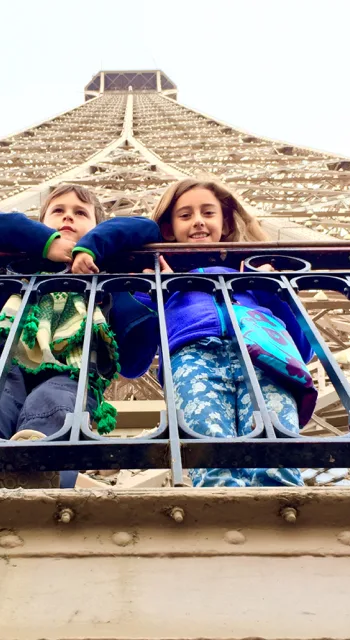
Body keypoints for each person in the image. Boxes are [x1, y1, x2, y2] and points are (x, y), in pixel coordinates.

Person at [0, 184, 161, 491]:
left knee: (55, 403)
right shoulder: (23, 258)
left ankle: (32, 467)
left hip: (72, 370)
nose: (68, 217)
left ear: (98, 228)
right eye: (58, 210)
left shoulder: (107, 267)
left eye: (80, 213)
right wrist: (48, 243)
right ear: (41, 224)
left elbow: (147, 228)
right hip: (6, 359)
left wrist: (90, 247)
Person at [137, 178, 314, 488]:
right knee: (212, 465)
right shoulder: (159, 278)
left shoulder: (249, 273)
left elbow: (304, 346)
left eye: (208, 212)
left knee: (278, 463)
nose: (198, 221)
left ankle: (283, 512)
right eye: (185, 215)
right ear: (167, 229)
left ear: (226, 222)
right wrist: (154, 290)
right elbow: (135, 355)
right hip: (193, 355)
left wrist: (268, 287)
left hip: (262, 357)